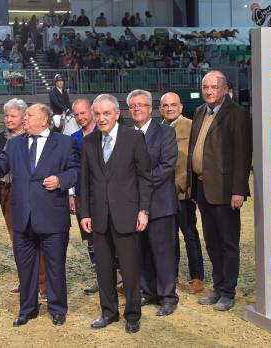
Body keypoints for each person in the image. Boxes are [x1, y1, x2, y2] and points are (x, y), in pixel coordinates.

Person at [0, 103, 80, 327]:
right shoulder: (14, 145)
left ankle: (58, 309)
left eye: (29, 115)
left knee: (55, 266)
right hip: (23, 217)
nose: (25, 119)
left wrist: (61, 181)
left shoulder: (64, 142)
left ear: (44, 120)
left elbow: (76, 170)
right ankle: (28, 309)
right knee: (25, 267)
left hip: (52, 216)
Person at [79, 94, 153, 334]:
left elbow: (144, 177)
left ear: (117, 113)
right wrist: (85, 213)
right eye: (97, 114)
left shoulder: (133, 138)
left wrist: (143, 210)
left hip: (127, 215)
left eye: (106, 113)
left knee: (130, 269)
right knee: (103, 269)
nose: (101, 119)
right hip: (98, 217)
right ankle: (109, 312)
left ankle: (133, 314)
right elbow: (86, 182)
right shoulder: (89, 142)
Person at [188, 70, 251, 311]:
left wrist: (238, 190)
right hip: (203, 187)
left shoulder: (237, 113)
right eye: (205, 87)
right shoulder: (199, 111)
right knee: (212, 242)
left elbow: (243, 155)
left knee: (228, 243)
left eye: (214, 87)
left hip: (226, 190)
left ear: (224, 89)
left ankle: (228, 292)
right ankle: (217, 287)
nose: (209, 91)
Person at [0, 99, 47, 298]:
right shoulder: (0, 138)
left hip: (25, 192)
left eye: (13, 116)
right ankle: (26, 281)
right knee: (16, 239)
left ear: (24, 118)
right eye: (6, 116)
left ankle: (43, 283)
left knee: (36, 238)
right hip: (5, 190)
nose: (8, 120)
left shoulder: (34, 138)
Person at [127, 89, 179, 316]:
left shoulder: (165, 132)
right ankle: (148, 291)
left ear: (150, 109)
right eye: (133, 106)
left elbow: (167, 165)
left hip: (160, 204)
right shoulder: (126, 135)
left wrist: (140, 186)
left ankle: (168, 296)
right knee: (143, 252)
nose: (137, 108)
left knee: (163, 252)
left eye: (141, 105)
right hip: (135, 206)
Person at [159, 92, 204, 294]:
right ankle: (173, 274)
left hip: (182, 193)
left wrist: (182, 184)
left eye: (173, 104)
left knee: (189, 234)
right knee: (169, 237)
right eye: (165, 105)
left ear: (180, 107)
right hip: (162, 194)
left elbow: (191, 159)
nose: (169, 108)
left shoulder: (191, 125)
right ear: (160, 108)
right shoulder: (158, 128)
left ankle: (197, 276)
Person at [69, 98, 99, 294]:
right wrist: (71, 193)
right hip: (82, 194)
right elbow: (71, 167)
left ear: (91, 111)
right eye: (77, 114)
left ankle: (119, 275)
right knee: (90, 238)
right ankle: (100, 276)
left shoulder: (105, 131)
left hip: (107, 194)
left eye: (83, 113)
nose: (80, 117)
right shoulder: (73, 138)